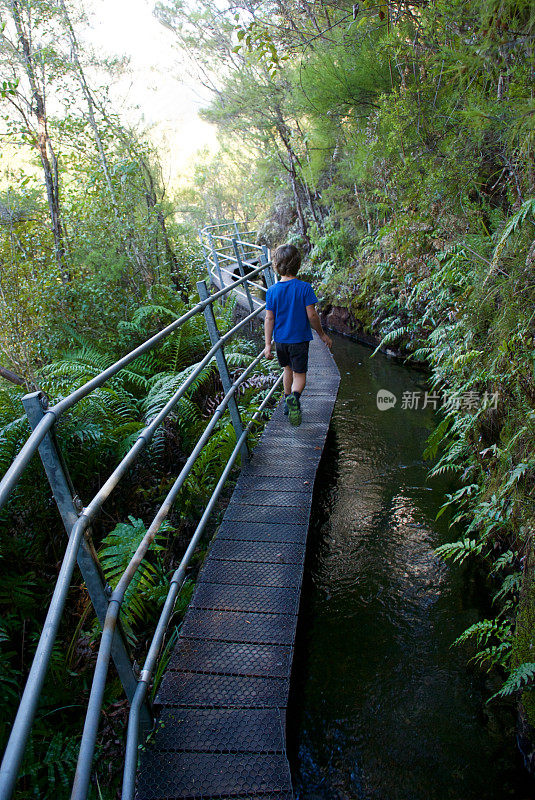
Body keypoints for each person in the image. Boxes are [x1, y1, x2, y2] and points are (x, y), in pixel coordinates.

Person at [263, 243, 332, 426]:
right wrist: (322, 334)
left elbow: (269, 319)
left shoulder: (272, 291)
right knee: (300, 374)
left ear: (276, 265)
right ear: (298, 264)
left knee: (287, 370)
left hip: (281, 341)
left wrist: (268, 344)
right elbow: (312, 315)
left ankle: (287, 402)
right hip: (299, 340)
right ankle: (294, 397)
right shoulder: (305, 288)